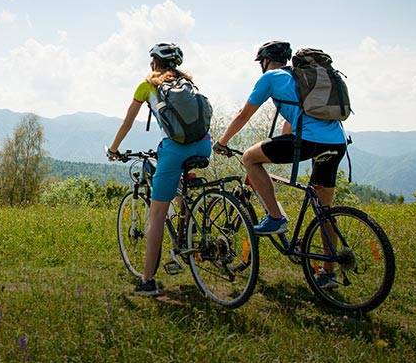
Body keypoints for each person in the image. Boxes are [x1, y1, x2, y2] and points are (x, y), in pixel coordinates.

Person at [212, 40, 347, 289]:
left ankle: (275, 217)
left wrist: (222, 142)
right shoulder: (299, 78)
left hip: (309, 141)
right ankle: (328, 272)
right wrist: (281, 143)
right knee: (324, 208)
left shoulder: (270, 78)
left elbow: (244, 114)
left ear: (264, 61)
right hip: (337, 142)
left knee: (250, 158)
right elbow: (291, 122)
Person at [107, 43, 212, 296]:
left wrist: (114, 148)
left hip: (175, 149)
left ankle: (147, 281)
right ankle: (189, 231)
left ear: (154, 62)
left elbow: (127, 122)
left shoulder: (147, 86)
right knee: (182, 185)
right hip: (204, 146)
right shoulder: (188, 83)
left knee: (156, 217)